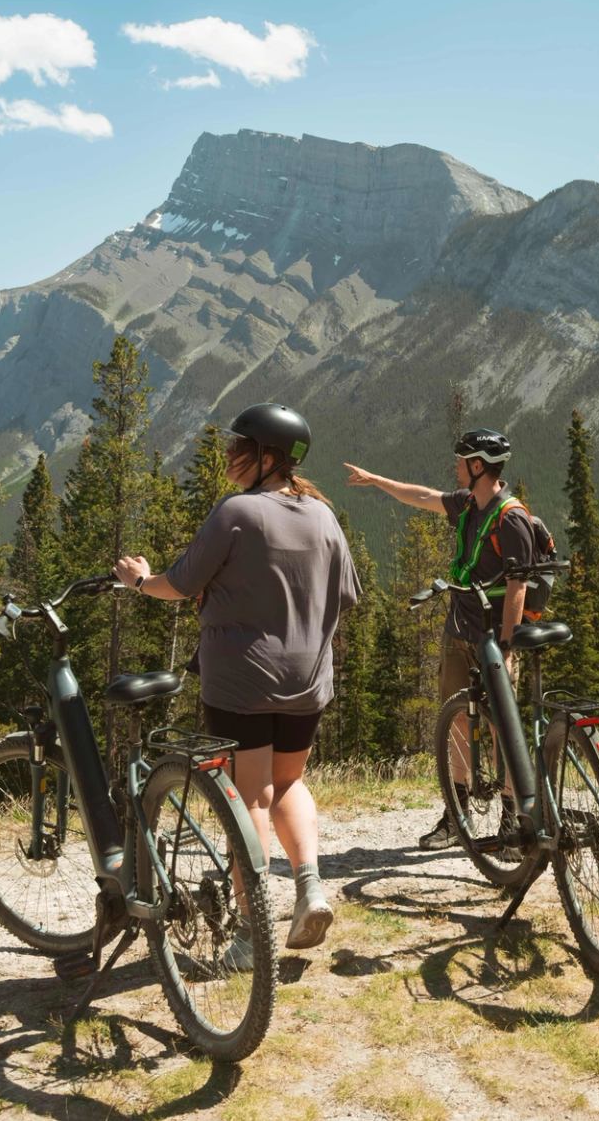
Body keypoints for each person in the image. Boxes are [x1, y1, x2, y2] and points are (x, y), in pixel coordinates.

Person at [114, 403, 361, 958]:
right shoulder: (323, 516)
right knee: (289, 783)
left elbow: (178, 584)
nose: (228, 454)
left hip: (242, 680)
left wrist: (137, 580)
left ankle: (252, 932)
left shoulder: (238, 512)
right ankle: (310, 888)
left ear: (266, 457)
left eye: (239, 446)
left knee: (251, 794)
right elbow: (346, 595)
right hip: (308, 681)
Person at [343, 429, 535, 849]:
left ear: (478, 466)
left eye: (461, 460)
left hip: (494, 637)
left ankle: (510, 818)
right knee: (456, 724)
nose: (455, 466)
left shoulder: (512, 517)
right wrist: (376, 480)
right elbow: (422, 496)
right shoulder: (468, 504)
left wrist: (506, 643)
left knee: (504, 726)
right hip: (459, 630)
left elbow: (518, 585)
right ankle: (456, 815)